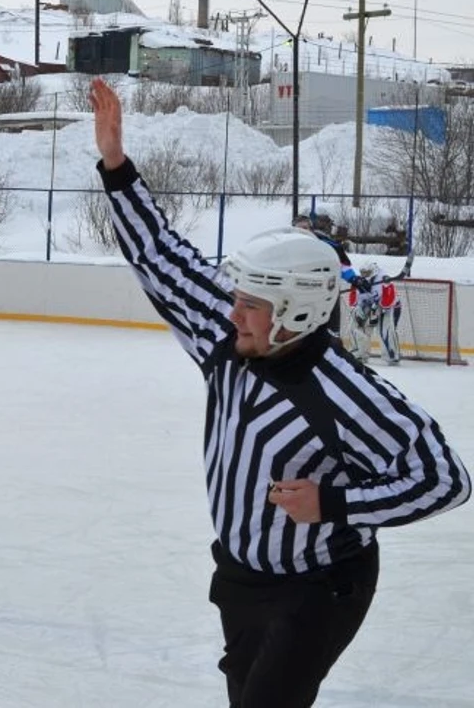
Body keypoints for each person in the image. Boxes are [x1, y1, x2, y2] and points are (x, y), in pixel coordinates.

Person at [89, 77, 469, 708]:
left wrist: (335, 503)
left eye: (250, 304)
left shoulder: (348, 396)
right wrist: (116, 164)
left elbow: (443, 479)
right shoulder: (228, 336)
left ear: (294, 313)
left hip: (321, 587)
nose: (231, 312)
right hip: (239, 577)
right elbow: (160, 256)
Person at [292, 213, 356, 336]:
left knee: (329, 333)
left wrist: (353, 278)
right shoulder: (286, 246)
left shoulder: (326, 245)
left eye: (305, 228)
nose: (301, 232)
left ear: (311, 230)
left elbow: (340, 264)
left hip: (326, 295)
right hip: (299, 296)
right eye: (298, 229)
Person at [348, 262, 406, 365]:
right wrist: (357, 304)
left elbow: (387, 303)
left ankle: (392, 355)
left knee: (385, 331)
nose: (364, 275)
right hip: (371, 306)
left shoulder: (383, 279)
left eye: (367, 272)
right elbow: (353, 301)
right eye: (362, 272)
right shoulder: (360, 281)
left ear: (373, 272)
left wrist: (386, 286)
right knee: (356, 327)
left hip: (389, 307)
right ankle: (360, 354)